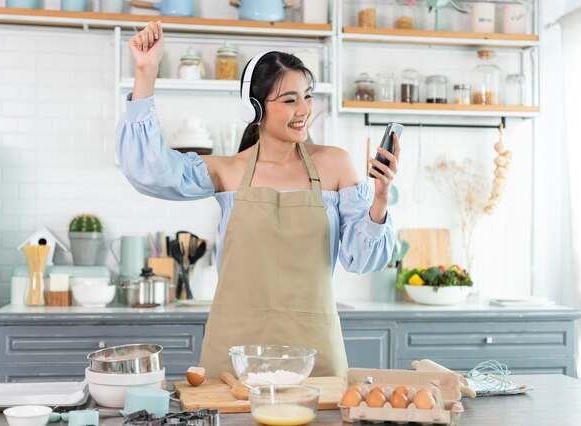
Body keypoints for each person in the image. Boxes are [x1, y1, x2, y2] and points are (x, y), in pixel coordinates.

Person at [116, 22, 400, 378]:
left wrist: (380, 199)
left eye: (308, 95)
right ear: (253, 108)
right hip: (235, 350)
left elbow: (361, 260)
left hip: (313, 347)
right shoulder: (228, 171)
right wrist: (146, 72)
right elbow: (149, 171)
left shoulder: (335, 164)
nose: (304, 109)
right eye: (290, 99)